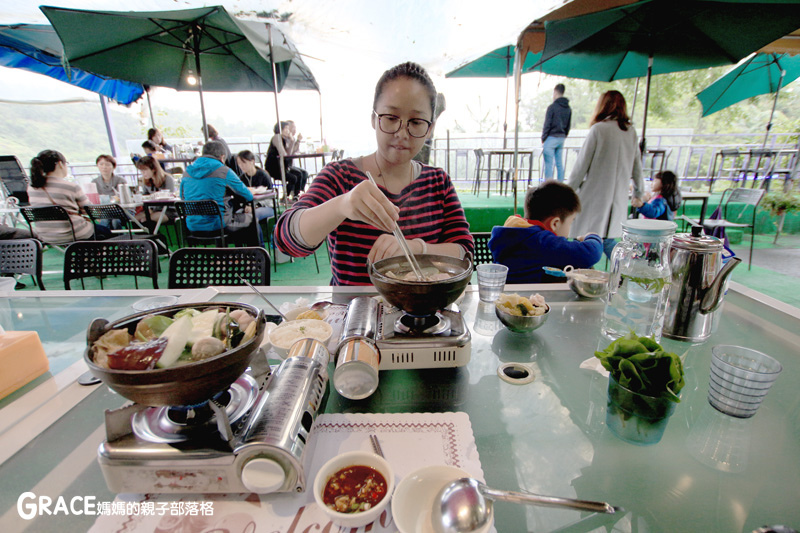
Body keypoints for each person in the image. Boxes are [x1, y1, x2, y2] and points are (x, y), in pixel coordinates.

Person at [275, 61, 474, 286]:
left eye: (416, 122)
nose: (402, 133)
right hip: (355, 314)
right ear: (373, 118)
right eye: (391, 118)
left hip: (423, 313)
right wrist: (343, 204)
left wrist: (417, 247)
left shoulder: (438, 182)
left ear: (429, 128)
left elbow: (464, 253)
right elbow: (286, 239)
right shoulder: (341, 176)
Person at [567, 90, 644, 259]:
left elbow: (580, 167)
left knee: (582, 241)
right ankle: (626, 272)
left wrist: (566, 193)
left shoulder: (598, 130)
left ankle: (583, 277)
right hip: (617, 200)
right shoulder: (630, 132)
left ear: (602, 106)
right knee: (608, 240)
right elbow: (637, 168)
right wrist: (639, 193)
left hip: (593, 197)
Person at [488, 181, 602, 283]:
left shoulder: (515, 233)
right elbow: (590, 253)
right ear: (555, 224)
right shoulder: (542, 242)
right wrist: (592, 237)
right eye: (570, 222)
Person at [181, 141, 262, 245]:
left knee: (227, 217)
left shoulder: (186, 172)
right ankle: (253, 258)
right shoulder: (224, 171)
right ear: (222, 157)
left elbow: (182, 197)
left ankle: (223, 257)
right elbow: (248, 196)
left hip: (192, 226)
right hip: (219, 225)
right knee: (251, 219)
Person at [26, 150, 112, 243]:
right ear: (60, 164)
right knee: (105, 231)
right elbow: (90, 211)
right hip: (73, 233)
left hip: (46, 236)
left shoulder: (31, 188)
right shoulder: (70, 186)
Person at [265, 121, 308, 201]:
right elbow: (284, 154)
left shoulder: (285, 139)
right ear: (280, 129)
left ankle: (296, 195)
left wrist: (292, 141)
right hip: (274, 167)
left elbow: (289, 153)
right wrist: (291, 142)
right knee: (293, 178)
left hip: (283, 166)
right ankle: (286, 197)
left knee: (302, 173)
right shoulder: (277, 137)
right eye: (286, 128)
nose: (288, 131)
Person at [541, 83, 571, 182]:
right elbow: (568, 125)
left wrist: (543, 138)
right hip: (561, 137)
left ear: (555, 92)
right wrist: (564, 135)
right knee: (559, 163)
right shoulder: (568, 109)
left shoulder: (552, 107)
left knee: (549, 164)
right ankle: (561, 186)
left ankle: (548, 186)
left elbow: (547, 124)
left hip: (551, 137)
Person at [235, 149, 275, 222]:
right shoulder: (241, 178)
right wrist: (245, 206)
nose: (241, 166)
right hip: (248, 207)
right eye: (239, 164)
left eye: (243, 163)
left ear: (252, 162)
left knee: (253, 215)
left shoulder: (263, 175)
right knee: (237, 216)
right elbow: (239, 197)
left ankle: (257, 233)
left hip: (266, 206)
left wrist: (256, 206)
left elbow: (270, 197)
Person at [92, 154, 128, 229]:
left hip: (119, 210)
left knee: (115, 221)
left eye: (108, 164)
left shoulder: (121, 181)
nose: (104, 167)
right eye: (101, 164)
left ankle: (118, 239)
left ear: (113, 166)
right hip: (103, 212)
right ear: (97, 166)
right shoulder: (94, 182)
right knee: (105, 219)